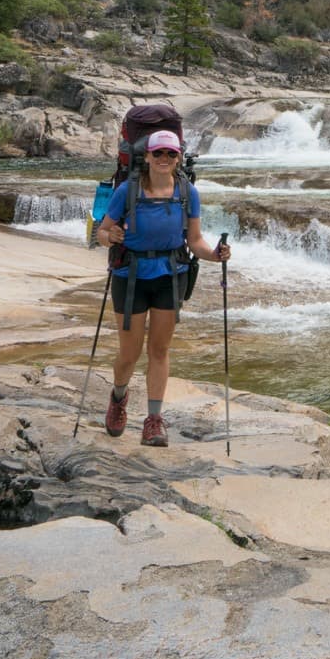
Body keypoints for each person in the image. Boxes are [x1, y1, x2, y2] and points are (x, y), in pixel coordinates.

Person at [93, 129, 229, 446]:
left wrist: (215, 255)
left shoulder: (187, 191)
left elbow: (194, 241)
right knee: (129, 352)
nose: (165, 159)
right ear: (148, 157)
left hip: (170, 275)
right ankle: (119, 397)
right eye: (159, 154)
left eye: (171, 154)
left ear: (178, 158)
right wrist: (110, 237)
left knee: (159, 349)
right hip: (131, 275)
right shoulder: (126, 191)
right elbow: (102, 232)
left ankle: (154, 420)